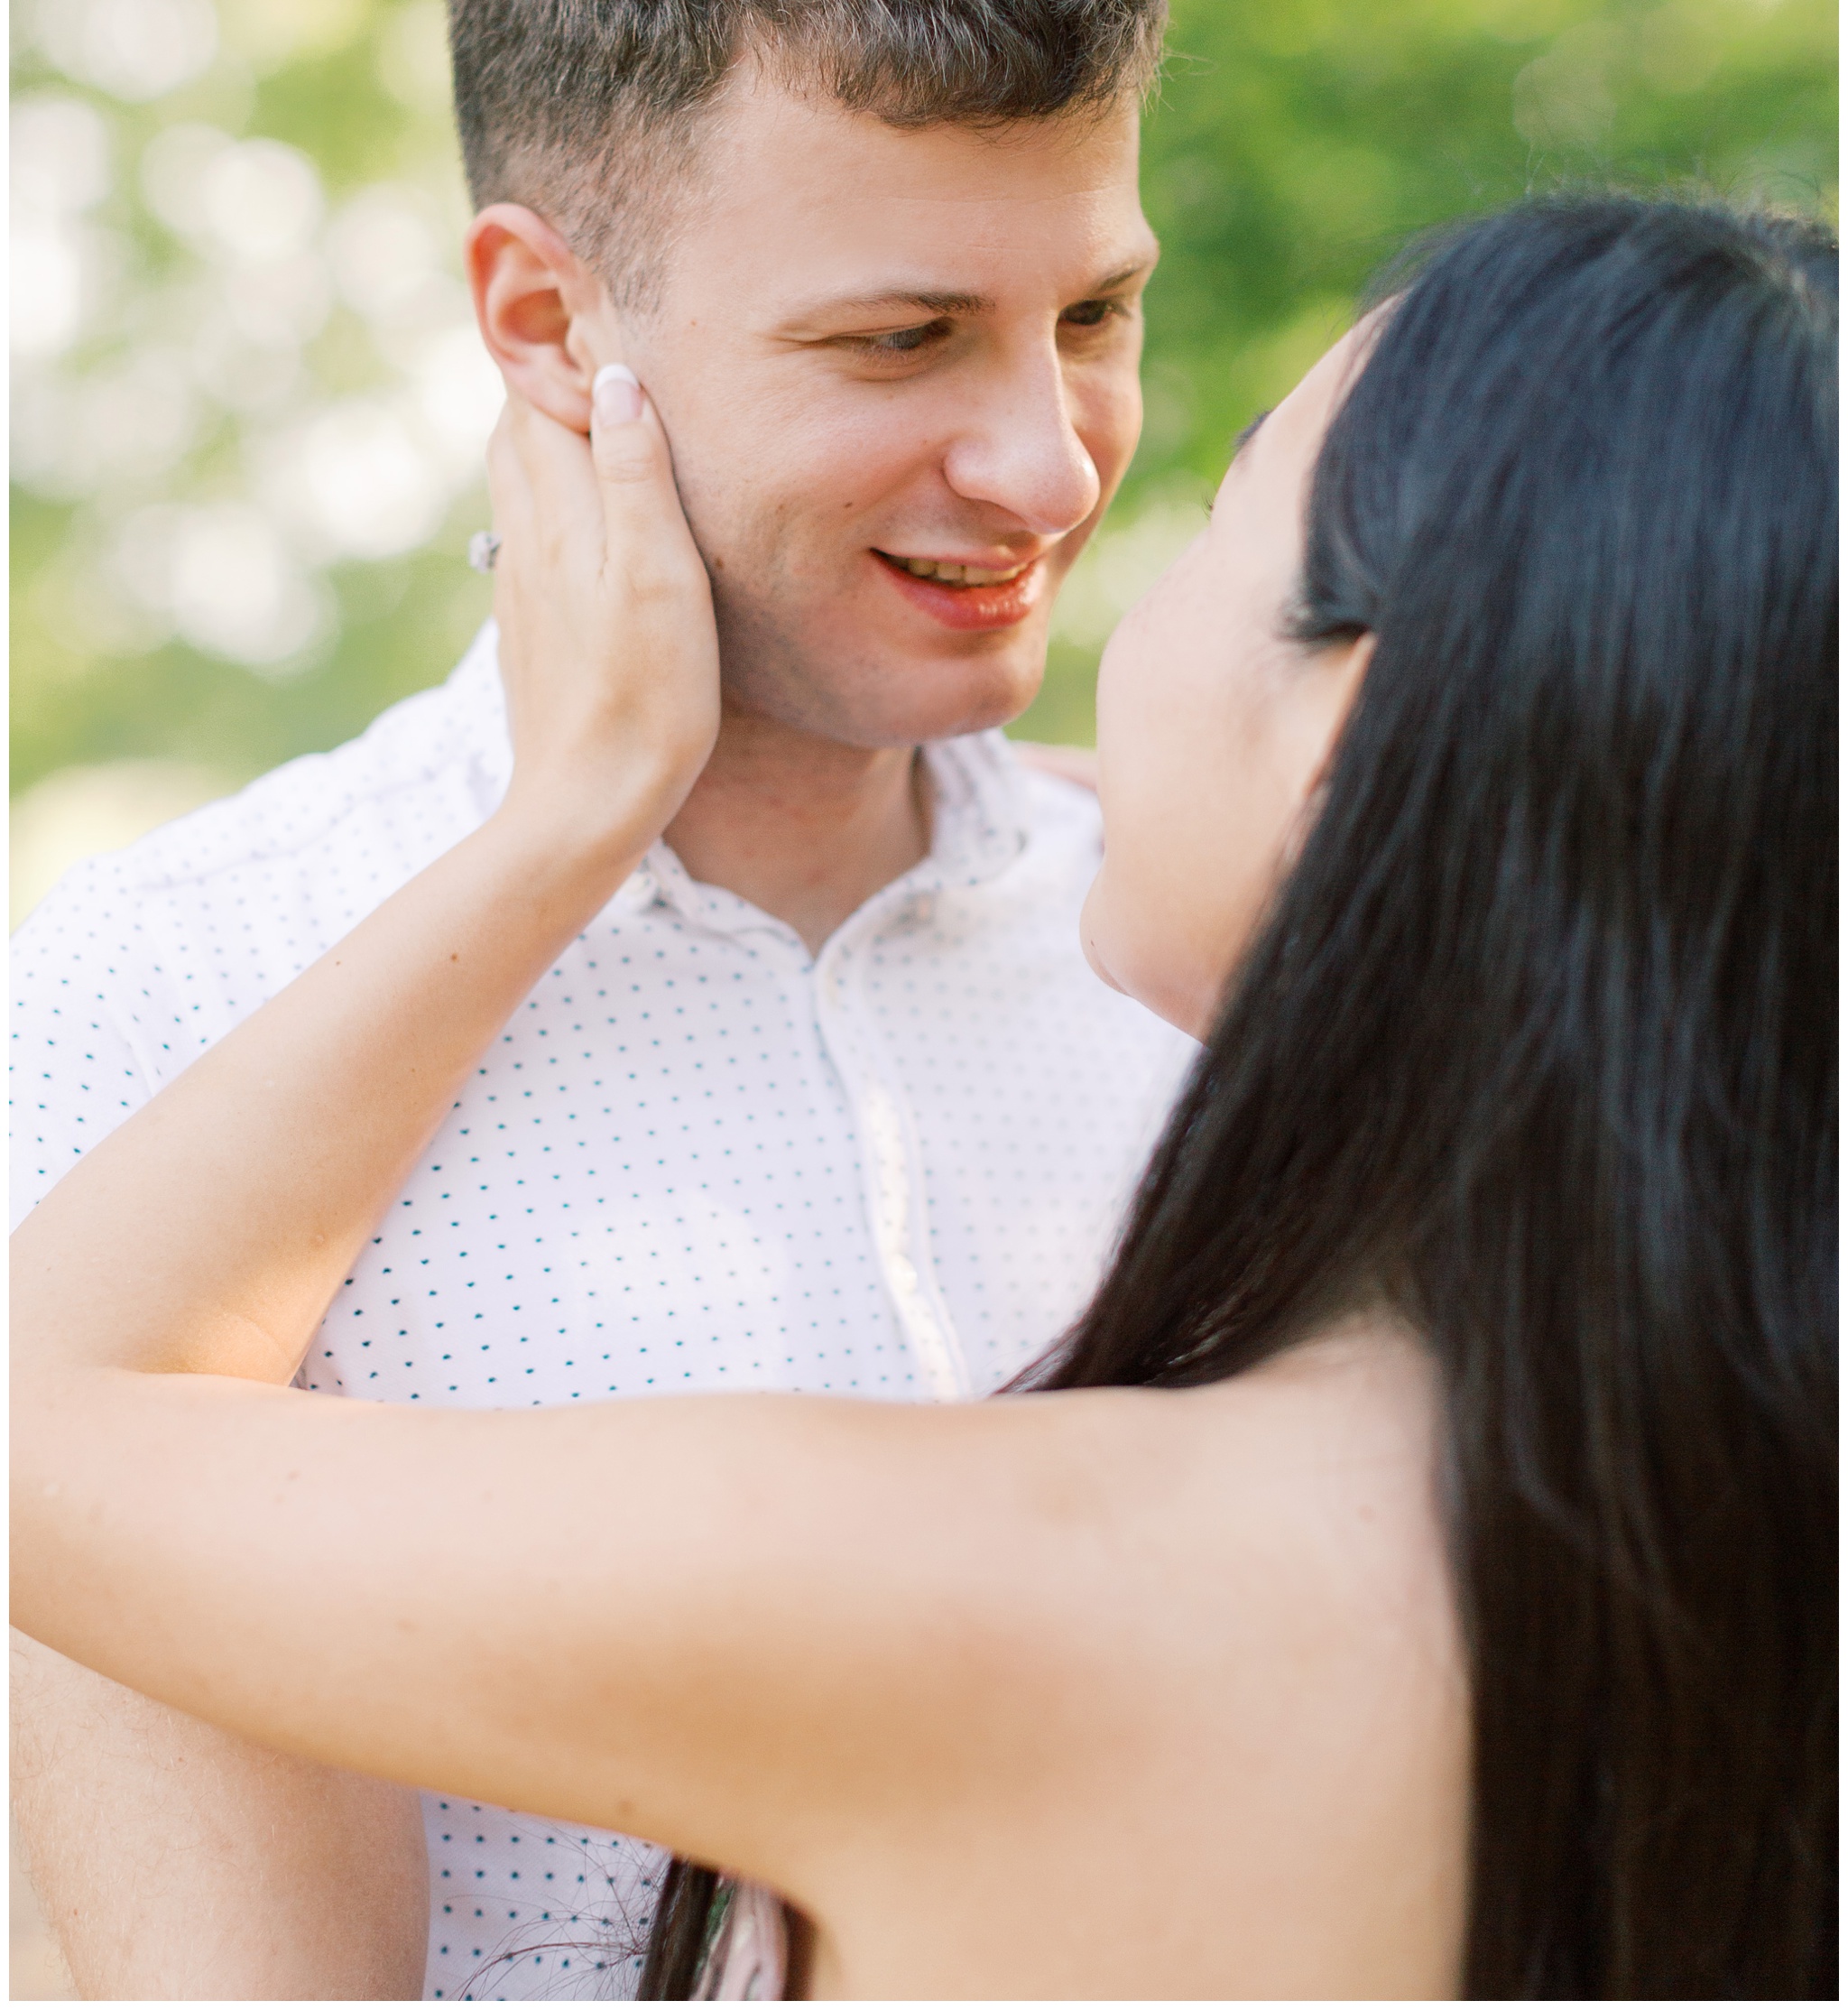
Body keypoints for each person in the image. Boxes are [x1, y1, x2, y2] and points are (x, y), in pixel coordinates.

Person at [14, 191, 1836, 2003]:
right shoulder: (1739, 1528)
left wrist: (580, 802)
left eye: (1221, 524)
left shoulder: (988, 1590)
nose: (1057, 488)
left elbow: (42, 1428)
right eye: (899, 338)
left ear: (1344, 750)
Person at [8, 0, 1196, 2002]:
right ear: (551, 324)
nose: (1046, 463)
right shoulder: (163, 1009)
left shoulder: (1202, 940)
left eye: (1091, 311)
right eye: (897, 340)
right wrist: (570, 822)